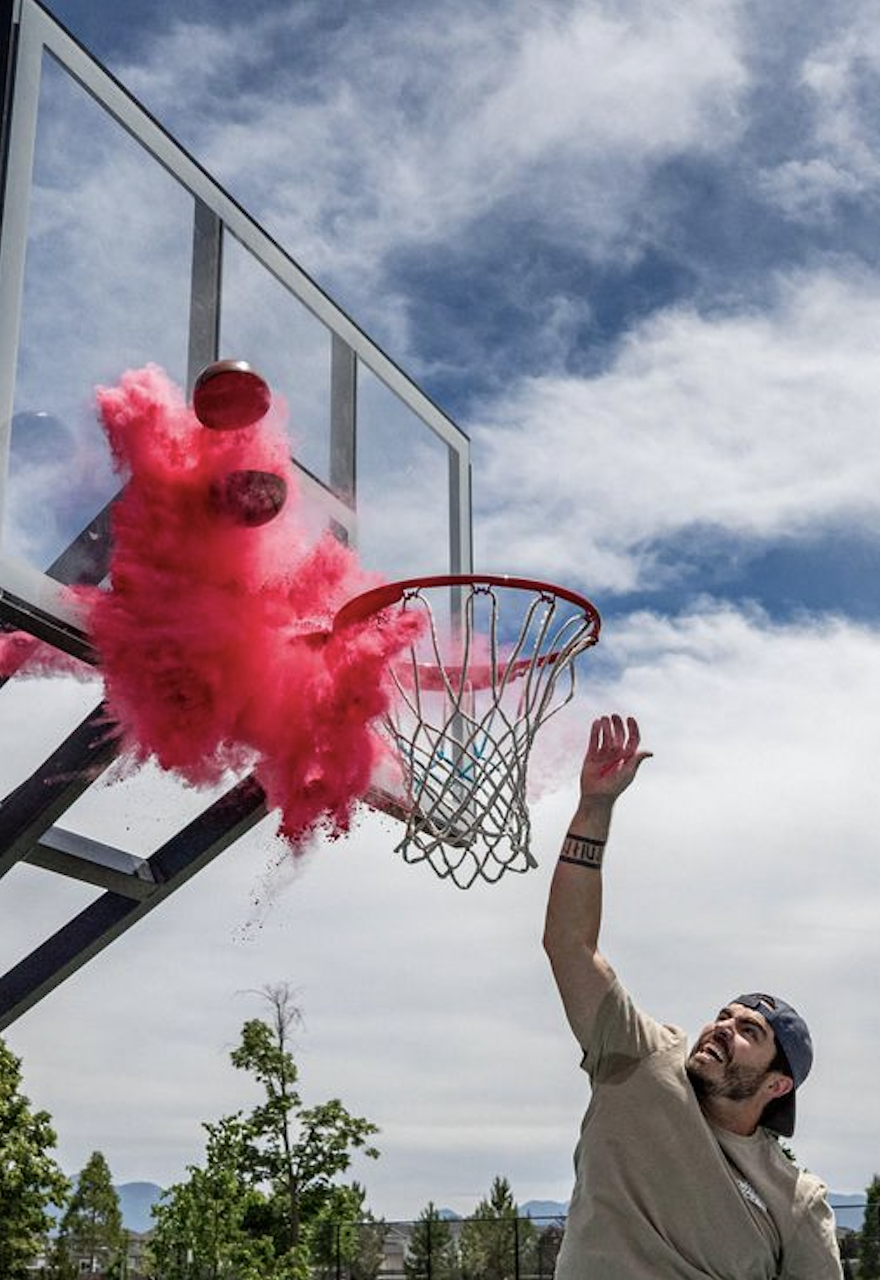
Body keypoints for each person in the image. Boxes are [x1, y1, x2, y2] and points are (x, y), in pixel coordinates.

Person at [543, 713, 842, 1279]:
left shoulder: (795, 1201)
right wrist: (595, 807)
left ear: (778, 1084)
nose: (724, 1026)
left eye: (750, 1031)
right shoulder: (642, 1058)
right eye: (725, 1016)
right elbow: (570, 945)